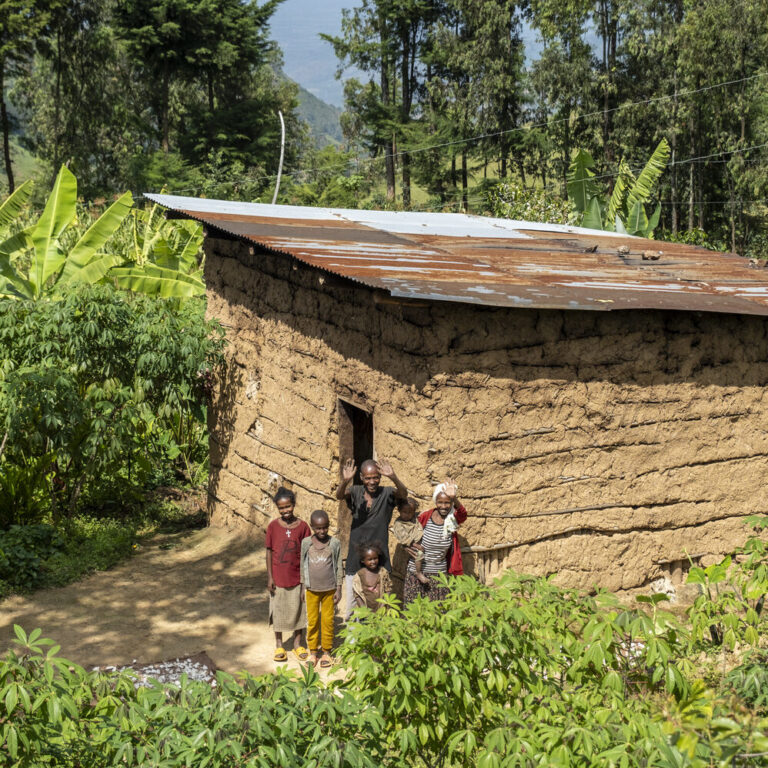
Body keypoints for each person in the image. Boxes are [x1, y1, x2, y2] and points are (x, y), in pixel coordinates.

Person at [335, 457, 407, 618]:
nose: (372, 481)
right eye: (368, 478)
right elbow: (339, 495)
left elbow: (403, 494)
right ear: (361, 477)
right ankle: (353, 641)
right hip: (356, 554)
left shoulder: (387, 493)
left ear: (380, 477)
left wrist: (393, 476)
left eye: (375, 477)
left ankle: (378, 639)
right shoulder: (355, 492)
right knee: (353, 602)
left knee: (381, 601)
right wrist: (345, 481)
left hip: (379, 554)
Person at [402, 479, 467, 606]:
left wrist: (455, 498)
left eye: (447, 502)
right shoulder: (425, 517)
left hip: (439, 574)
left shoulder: (452, 520)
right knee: (414, 611)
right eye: (440, 502)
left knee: (437, 613)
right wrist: (405, 545)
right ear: (435, 502)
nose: (443, 506)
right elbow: (406, 529)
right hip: (415, 572)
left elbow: (463, 514)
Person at [265, 487, 311, 663]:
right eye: (281, 508)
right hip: (278, 578)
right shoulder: (273, 527)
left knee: (299, 611)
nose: (285, 511)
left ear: (294, 505)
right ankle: (279, 645)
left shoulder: (303, 527)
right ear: (278, 508)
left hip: (297, 577)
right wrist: (270, 577)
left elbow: (307, 553)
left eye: (288, 507)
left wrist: (304, 579)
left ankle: (298, 643)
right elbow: (269, 552)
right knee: (278, 611)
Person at [300, 509, 343, 669]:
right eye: (318, 528)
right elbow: (302, 565)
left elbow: (338, 566)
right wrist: (302, 587)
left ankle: (326, 652)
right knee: (312, 621)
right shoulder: (306, 543)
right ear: (312, 527)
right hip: (311, 589)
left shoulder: (335, 543)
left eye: (325, 527)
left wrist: (339, 588)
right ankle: (312, 652)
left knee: (327, 621)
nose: (322, 531)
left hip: (329, 589)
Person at [391, 497, 428, 585]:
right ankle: (418, 572)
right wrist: (417, 546)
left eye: (410, 512)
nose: (407, 514)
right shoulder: (399, 524)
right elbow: (405, 540)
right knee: (418, 555)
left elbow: (422, 513)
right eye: (405, 512)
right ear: (399, 511)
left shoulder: (413, 517)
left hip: (417, 541)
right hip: (411, 545)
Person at [352, 541, 393, 613]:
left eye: (375, 558)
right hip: (365, 611)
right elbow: (357, 595)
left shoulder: (383, 572)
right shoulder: (359, 575)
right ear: (362, 560)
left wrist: (382, 608)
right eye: (370, 559)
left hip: (382, 610)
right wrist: (365, 611)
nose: (373, 561)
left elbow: (388, 590)